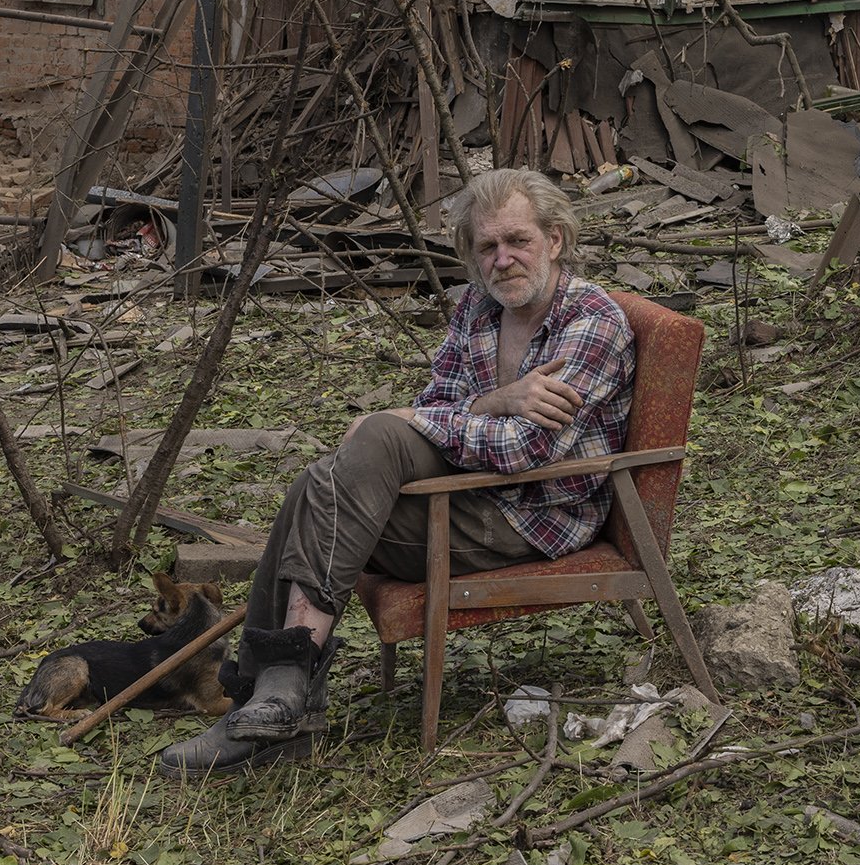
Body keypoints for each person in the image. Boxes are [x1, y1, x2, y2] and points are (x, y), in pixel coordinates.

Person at [159, 166, 636, 777]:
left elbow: (525, 452)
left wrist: (417, 417)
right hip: (470, 494)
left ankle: (271, 698)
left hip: (535, 517)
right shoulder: (477, 309)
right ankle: (279, 694)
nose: (503, 259)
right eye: (487, 247)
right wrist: (493, 400)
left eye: (518, 241)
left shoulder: (590, 322)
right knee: (328, 477)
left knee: (370, 442)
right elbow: (442, 404)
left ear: (555, 240)